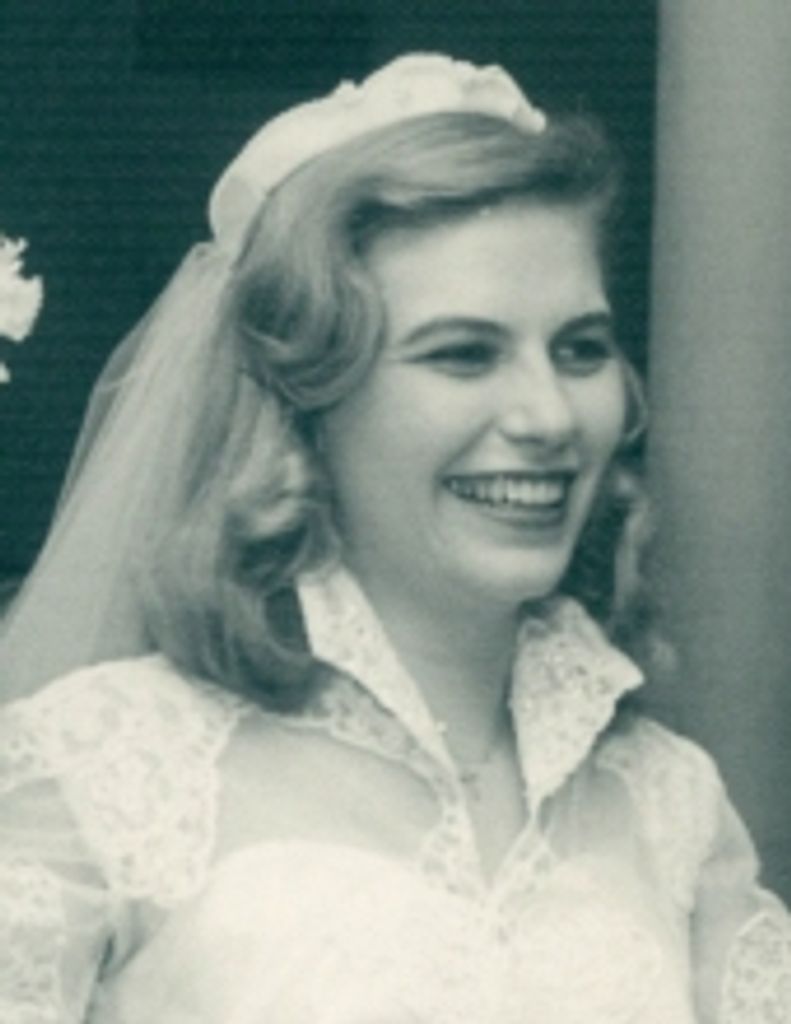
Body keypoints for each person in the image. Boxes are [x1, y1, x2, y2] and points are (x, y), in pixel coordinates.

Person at [0, 53, 788, 1023]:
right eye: (462, 354)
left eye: (579, 349)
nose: (548, 415)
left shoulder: (670, 803)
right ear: (309, 401)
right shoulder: (101, 768)